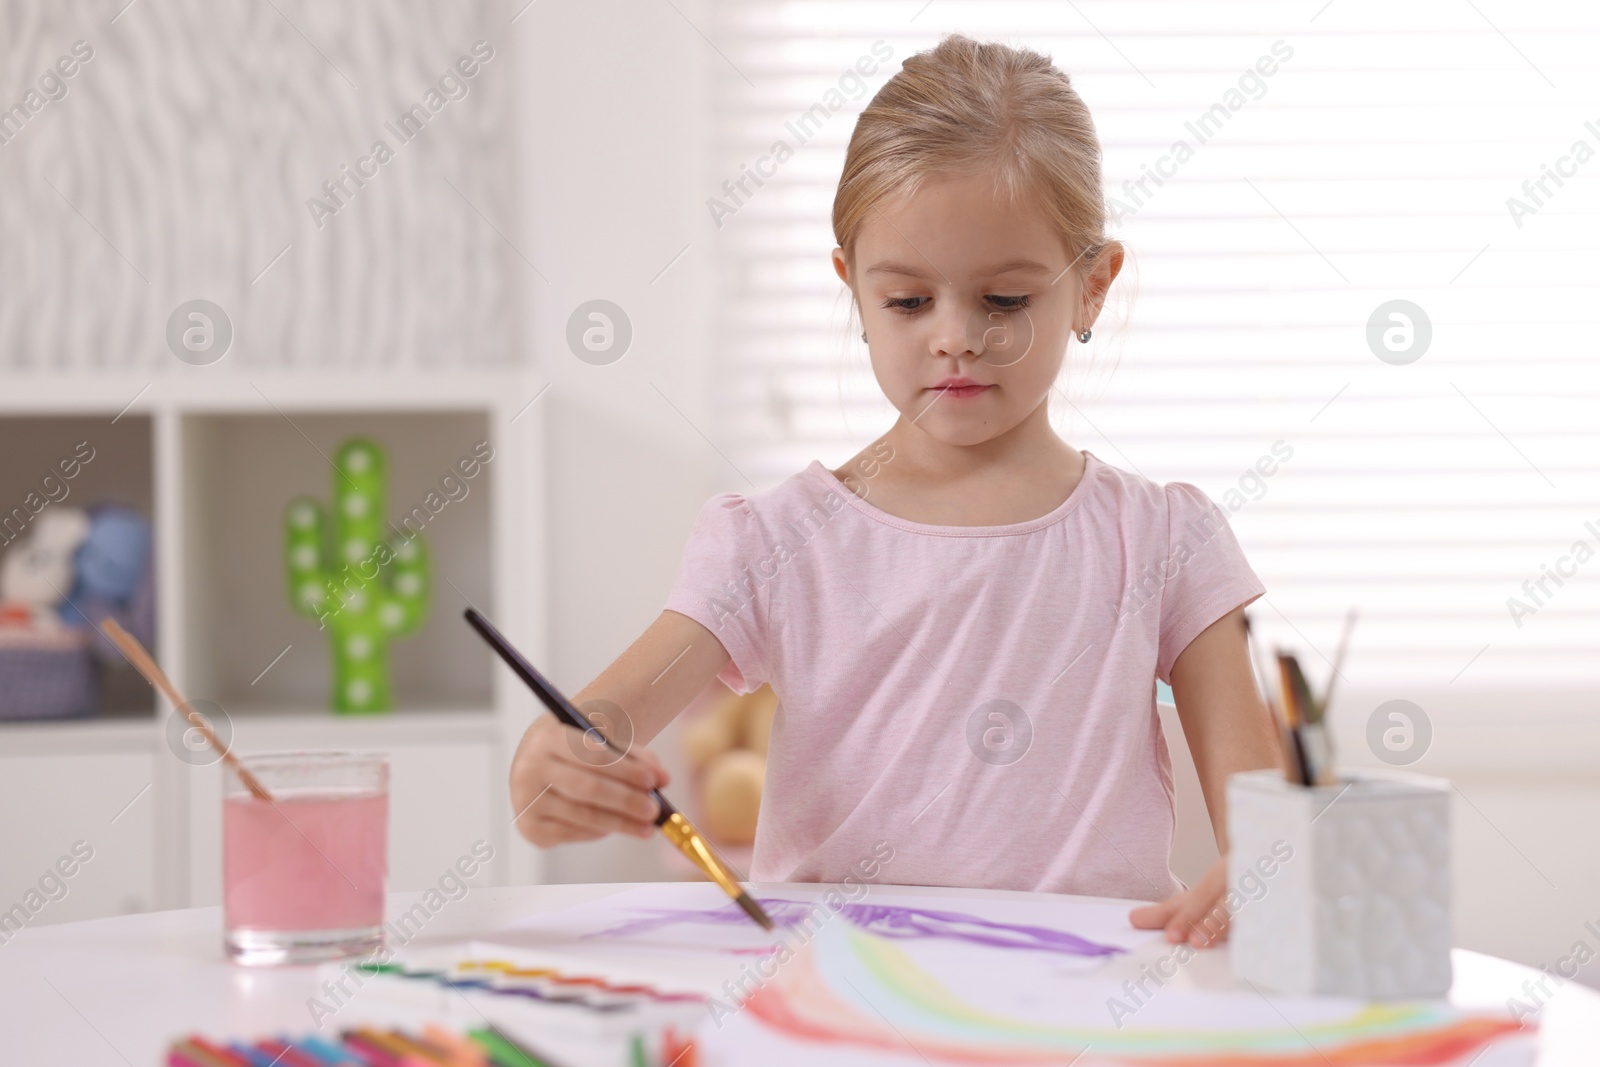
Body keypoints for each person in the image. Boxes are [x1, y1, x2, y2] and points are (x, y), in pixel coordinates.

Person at [511, 33, 1281, 948]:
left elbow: (1272, 830)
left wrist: (1268, 867)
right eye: (910, 302)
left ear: (1092, 288)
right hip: (840, 1006)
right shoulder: (775, 539)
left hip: (1087, 1006)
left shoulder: (1165, 540)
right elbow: (600, 719)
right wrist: (549, 767)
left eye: (1003, 301)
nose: (954, 337)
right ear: (853, 289)